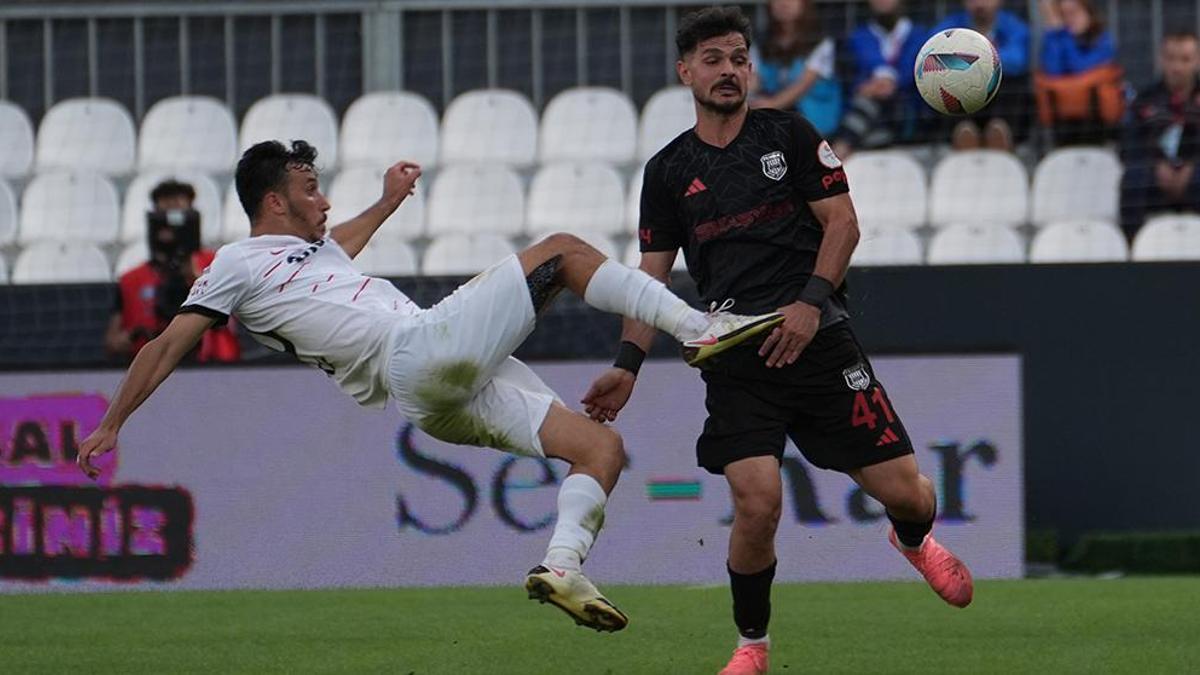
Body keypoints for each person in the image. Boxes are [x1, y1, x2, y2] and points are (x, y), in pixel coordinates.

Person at [77, 140, 783, 632]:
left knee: (601, 448)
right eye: (309, 188)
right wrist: (113, 422)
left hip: (430, 401)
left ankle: (561, 566)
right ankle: (700, 327)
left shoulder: (301, 253)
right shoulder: (233, 262)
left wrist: (387, 202)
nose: (321, 198)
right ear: (273, 199)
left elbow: (337, 248)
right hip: (416, 350)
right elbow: (168, 341)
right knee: (565, 250)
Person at [581, 8, 973, 674]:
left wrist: (809, 305)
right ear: (686, 72)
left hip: (820, 341)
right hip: (737, 355)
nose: (729, 69)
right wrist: (627, 365)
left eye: (738, 57)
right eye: (713, 58)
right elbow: (648, 280)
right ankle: (752, 645)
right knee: (757, 500)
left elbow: (843, 225)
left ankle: (911, 537)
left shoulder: (789, 134)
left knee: (907, 492)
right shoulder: (668, 170)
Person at [105, 179, 240, 363]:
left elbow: (234, 316)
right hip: (151, 370)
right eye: (164, 215)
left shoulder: (217, 263)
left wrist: (195, 278)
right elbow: (112, 341)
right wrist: (133, 336)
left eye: (178, 216)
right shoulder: (131, 280)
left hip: (212, 367)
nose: (171, 227)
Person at [1119, 30, 1200, 240]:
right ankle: (1131, 249)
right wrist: (1156, 164)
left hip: (1195, 177)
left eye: (1185, 59)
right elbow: (1128, 144)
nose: (1177, 67)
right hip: (1154, 180)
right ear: (1161, 59)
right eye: (1171, 58)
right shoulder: (1145, 98)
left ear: (1197, 60)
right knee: (1133, 177)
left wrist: (1192, 166)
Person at [933, 0, 1031, 151]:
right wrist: (983, 60)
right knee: (945, 81)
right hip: (964, 101)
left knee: (1012, 82)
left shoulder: (1013, 26)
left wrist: (969, 60)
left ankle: (1001, 135)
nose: (979, 4)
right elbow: (933, 55)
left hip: (1000, 100)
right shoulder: (949, 28)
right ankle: (963, 135)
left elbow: (1017, 61)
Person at [834, 0, 926, 156]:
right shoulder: (859, 36)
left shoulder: (919, 35)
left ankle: (841, 147)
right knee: (868, 103)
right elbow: (860, 74)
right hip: (869, 112)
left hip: (905, 112)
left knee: (868, 102)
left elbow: (912, 71)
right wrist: (874, 86)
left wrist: (888, 83)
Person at [749, 0, 843, 136]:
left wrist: (771, 104)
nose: (783, 4)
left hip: (813, 121)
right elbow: (754, 79)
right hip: (774, 112)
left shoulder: (820, 41)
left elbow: (802, 86)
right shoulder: (761, 41)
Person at [1035, 0, 1121, 145]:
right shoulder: (1058, 37)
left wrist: (1063, 36)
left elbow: (1081, 67)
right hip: (1063, 122)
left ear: (1088, 12)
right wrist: (1055, 33)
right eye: (1063, 15)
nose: (1069, 20)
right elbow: (1053, 70)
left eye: (1074, 12)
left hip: (1097, 121)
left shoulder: (1103, 40)